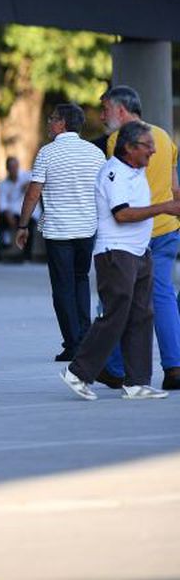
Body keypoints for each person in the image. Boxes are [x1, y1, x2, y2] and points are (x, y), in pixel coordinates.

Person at [61, 120, 175, 401]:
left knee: (141, 316)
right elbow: (121, 214)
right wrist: (165, 208)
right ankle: (77, 372)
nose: (153, 152)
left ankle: (137, 382)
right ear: (129, 147)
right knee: (115, 316)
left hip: (139, 253)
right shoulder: (114, 173)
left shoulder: (136, 172)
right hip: (116, 254)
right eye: (147, 146)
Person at [98, 85, 180, 390]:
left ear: (121, 110)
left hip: (135, 234)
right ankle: (174, 367)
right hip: (168, 229)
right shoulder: (165, 137)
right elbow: (174, 189)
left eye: (106, 109)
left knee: (120, 299)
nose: (103, 116)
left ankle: (115, 368)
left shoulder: (118, 140)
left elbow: (121, 187)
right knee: (162, 296)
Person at [16, 103, 106, 361]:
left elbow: (34, 191)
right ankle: (84, 337)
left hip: (59, 231)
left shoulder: (47, 152)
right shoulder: (95, 153)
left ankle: (73, 343)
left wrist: (23, 226)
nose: (48, 122)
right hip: (87, 229)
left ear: (63, 124)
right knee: (80, 280)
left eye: (52, 118)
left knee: (62, 286)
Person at [0, 156, 36, 260]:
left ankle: (27, 255)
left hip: (27, 213)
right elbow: (2, 203)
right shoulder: (3, 184)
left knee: (29, 224)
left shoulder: (27, 176)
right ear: (7, 169)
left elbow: (36, 186)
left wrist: (29, 186)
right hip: (12, 213)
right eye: (11, 167)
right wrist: (7, 214)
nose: (13, 169)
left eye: (15, 166)